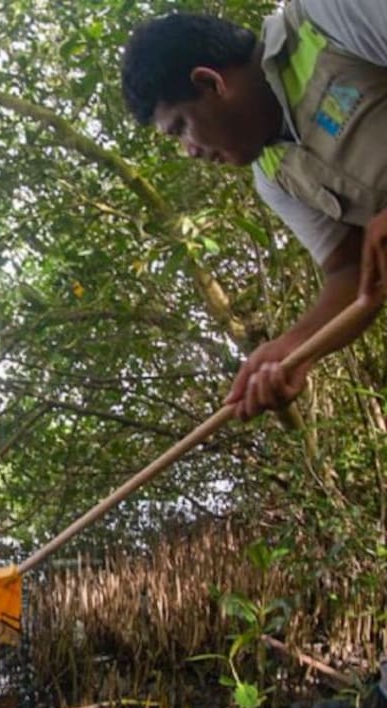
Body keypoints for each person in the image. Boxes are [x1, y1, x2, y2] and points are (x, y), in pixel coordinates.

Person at [121, 1, 387, 420]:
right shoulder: (273, 177)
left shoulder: (329, 18)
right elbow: (351, 271)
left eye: (180, 128)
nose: (189, 151)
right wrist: (296, 348)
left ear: (210, 83)